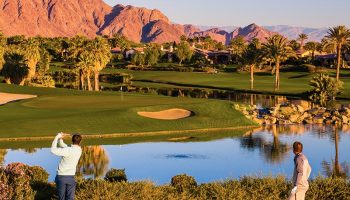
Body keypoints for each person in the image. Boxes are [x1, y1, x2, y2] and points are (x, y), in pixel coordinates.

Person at [51, 132, 82, 200]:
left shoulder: (67, 150)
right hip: (71, 178)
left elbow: (53, 150)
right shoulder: (79, 150)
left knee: (61, 198)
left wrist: (57, 137)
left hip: (61, 177)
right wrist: (61, 139)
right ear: (80, 142)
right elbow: (64, 146)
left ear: (72, 140)